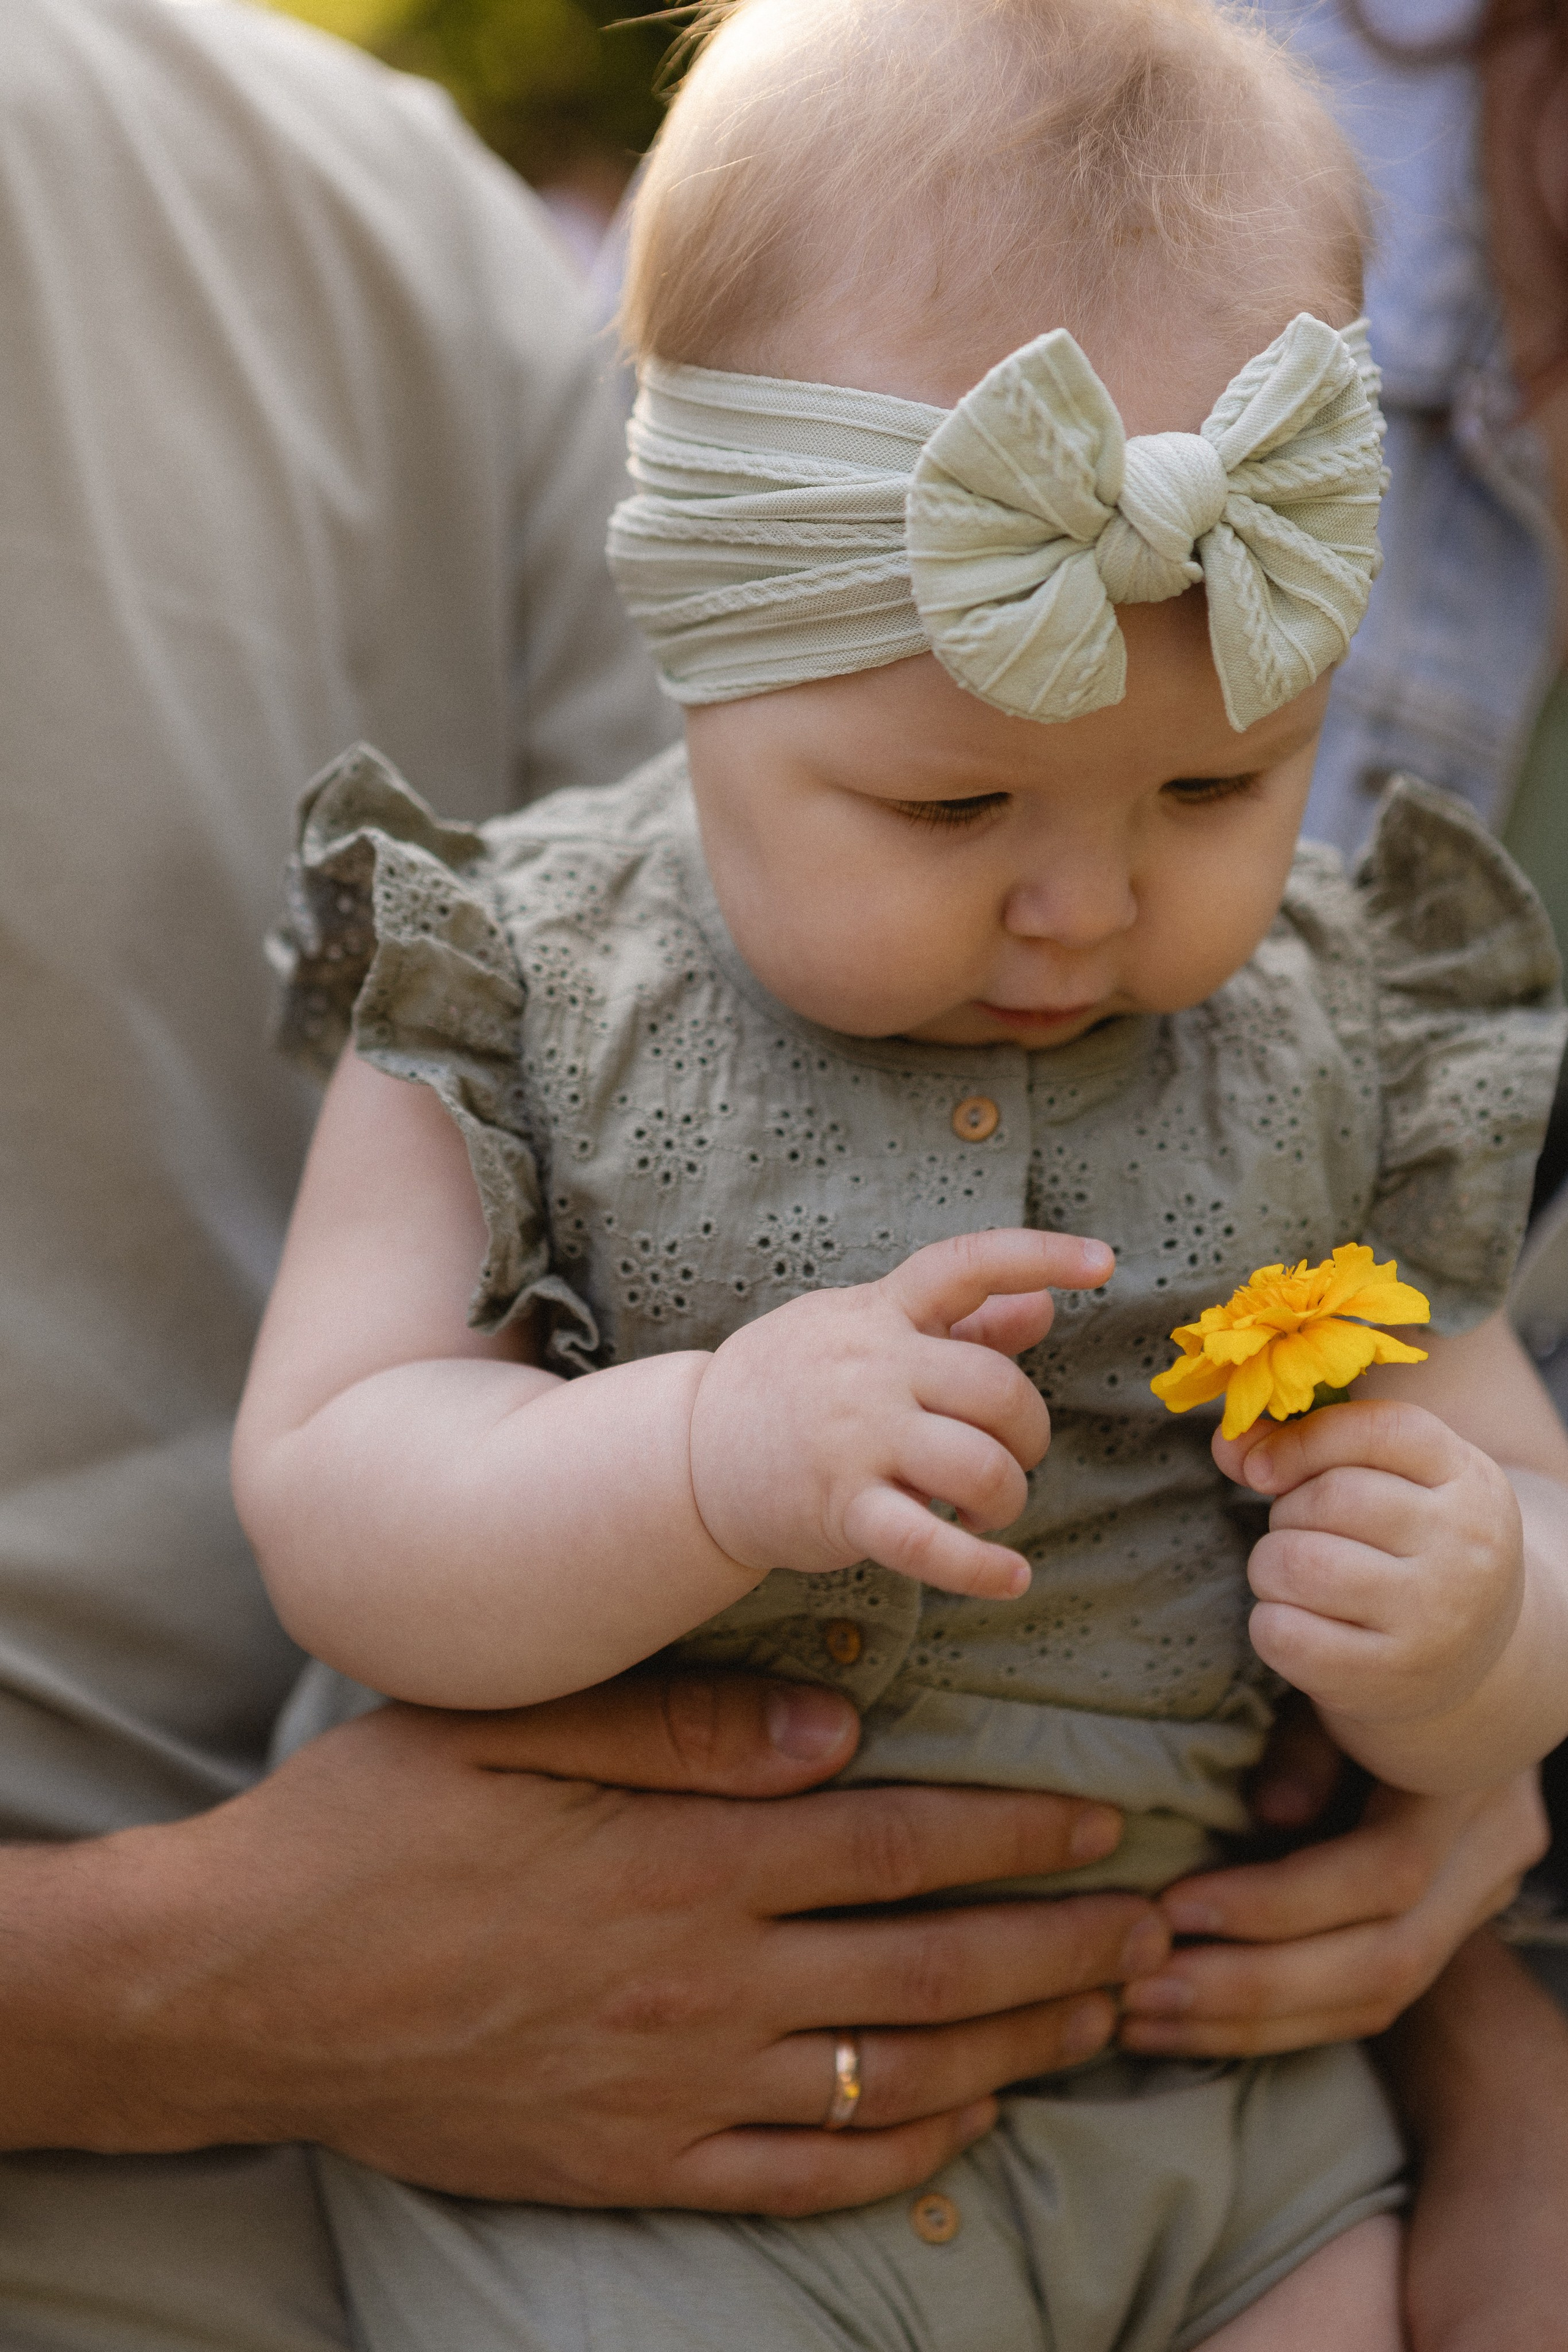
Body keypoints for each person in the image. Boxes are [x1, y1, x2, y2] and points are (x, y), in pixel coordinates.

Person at [0, 6, 1550, 2351]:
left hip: (1209, 2134)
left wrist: (1474, 1636)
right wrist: (699, 1456)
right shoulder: (510, 990)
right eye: (955, 811)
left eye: (1213, 797)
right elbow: (335, 1500)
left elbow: (1515, 1489)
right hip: (632, 2183)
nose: (1082, 907)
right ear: (701, 661)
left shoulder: (1347, 1020)